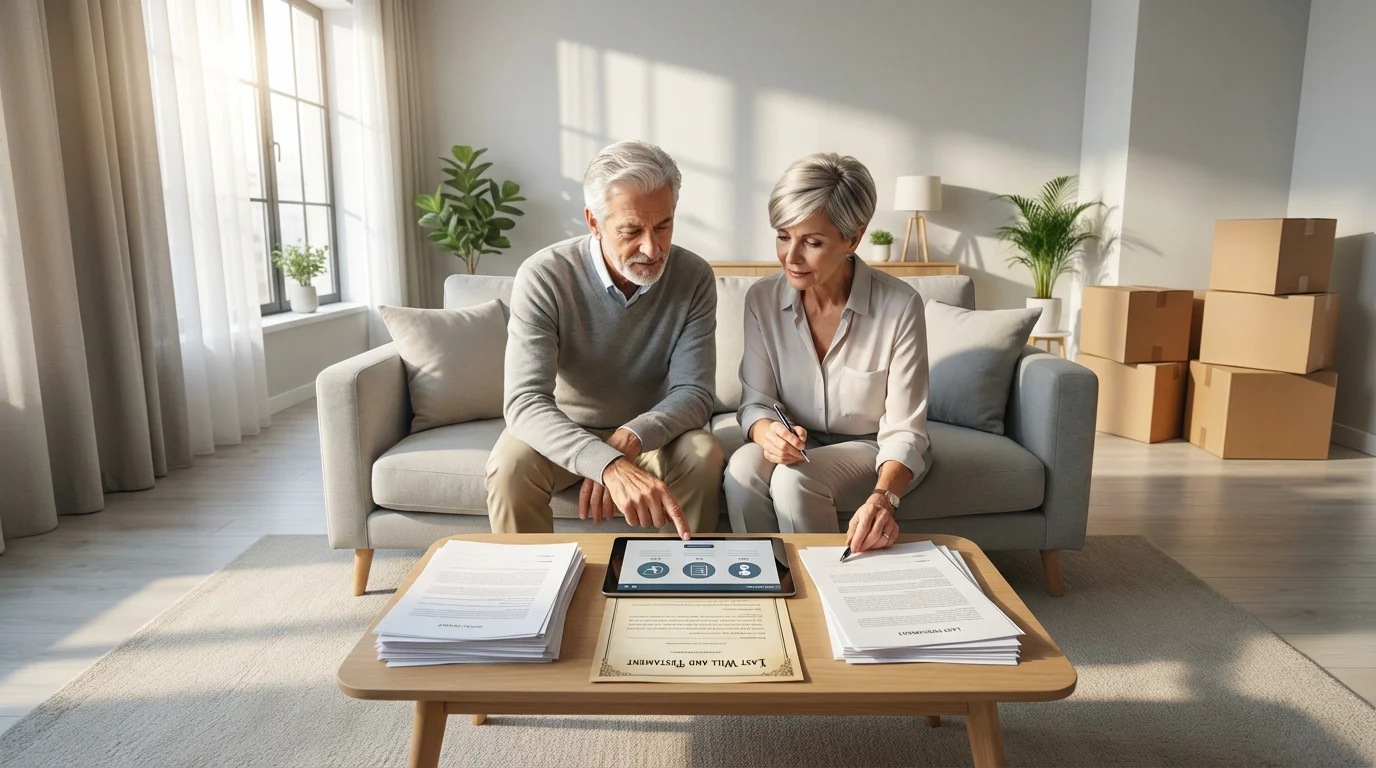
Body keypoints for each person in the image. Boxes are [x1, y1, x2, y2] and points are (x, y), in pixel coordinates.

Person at [486, 140, 722, 539]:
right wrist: (605, 463)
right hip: (566, 429)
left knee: (704, 455)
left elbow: (695, 393)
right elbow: (525, 402)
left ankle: (686, 584)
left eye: (663, 225)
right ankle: (530, 592)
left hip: (654, 435)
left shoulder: (693, 276)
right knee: (509, 466)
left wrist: (631, 438)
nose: (652, 247)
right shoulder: (545, 275)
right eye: (631, 230)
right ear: (594, 222)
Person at [724, 152, 932, 554]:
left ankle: (828, 593)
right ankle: (767, 584)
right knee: (742, 470)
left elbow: (906, 429)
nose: (791, 256)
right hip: (802, 441)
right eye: (783, 236)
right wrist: (771, 435)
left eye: (812, 242)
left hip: (870, 445)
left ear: (853, 238)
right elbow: (756, 403)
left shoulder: (901, 305)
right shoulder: (761, 299)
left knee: (794, 480)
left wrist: (884, 497)